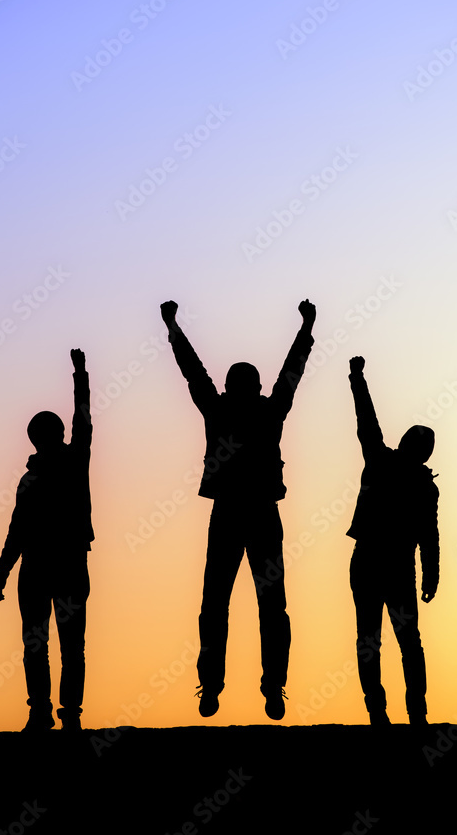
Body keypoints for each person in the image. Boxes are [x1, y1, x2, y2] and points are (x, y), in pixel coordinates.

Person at [160, 299, 315, 720]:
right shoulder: (266, 410)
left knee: (219, 604)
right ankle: (268, 688)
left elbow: (194, 373)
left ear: (230, 387)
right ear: (256, 387)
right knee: (268, 606)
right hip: (257, 512)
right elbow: (291, 375)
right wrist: (305, 330)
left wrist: (173, 327)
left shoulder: (223, 408)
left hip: (234, 512)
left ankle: (216, 687)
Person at [0, 348, 94, 732]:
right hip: (51, 566)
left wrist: (80, 374)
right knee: (59, 646)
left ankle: (55, 714)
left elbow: (83, 418)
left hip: (52, 565)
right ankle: (54, 713)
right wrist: (2, 572)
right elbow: (17, 529)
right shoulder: (42, 475)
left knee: (53, 646)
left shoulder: (64, 464)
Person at [346, 355, 439, 728]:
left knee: (375, 641)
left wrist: (357, 379)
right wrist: (431, 576)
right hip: (392, 566)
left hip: (375, 562)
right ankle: (410, 714)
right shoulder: (421, 484)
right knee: (405, 643)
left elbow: (366, 424)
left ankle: (383, 712)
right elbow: (429, 537)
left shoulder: (386, 464)